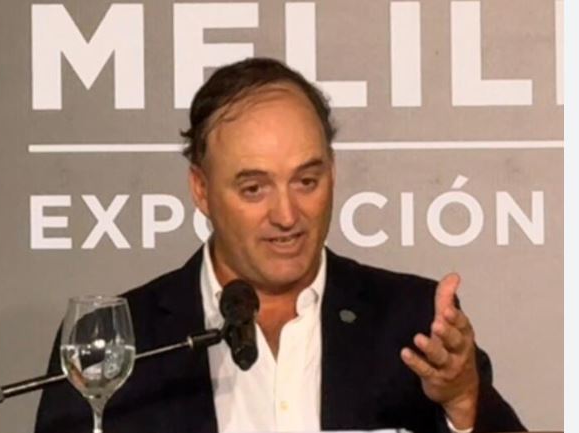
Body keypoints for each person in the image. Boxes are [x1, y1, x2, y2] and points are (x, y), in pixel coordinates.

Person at [35, 57, 525, 433]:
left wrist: (463, 401)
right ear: (201, 189)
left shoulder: (413, 323)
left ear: (332, 172)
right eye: (254, 189)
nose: (288, 215)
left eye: (307, 181)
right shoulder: (119, 341)